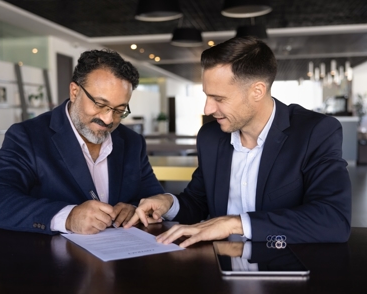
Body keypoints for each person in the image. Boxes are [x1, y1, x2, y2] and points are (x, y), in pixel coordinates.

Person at [125, 36, 351, 247]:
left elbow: (333, 220)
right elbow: (197, 202)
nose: (208, 109)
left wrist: (235, 223)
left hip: (284, 267)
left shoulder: (315, 132)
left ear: (257, 91)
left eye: (219, 98)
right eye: (207, 95)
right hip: (216, 268)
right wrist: (168, 202)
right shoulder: (210, 137)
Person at [0, 49, 164, 235]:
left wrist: (134, 209)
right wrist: (68, 217)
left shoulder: (132, 142)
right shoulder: (28, 136)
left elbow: (153, 198)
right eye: (99, 104)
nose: (108, 119)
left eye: (119, 110)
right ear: (74, 91)